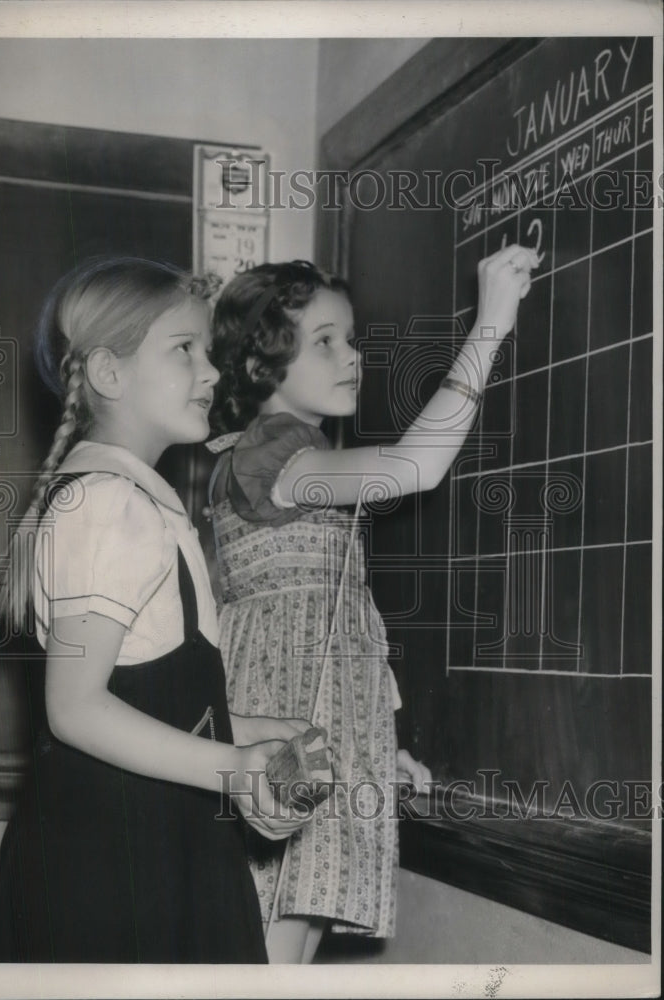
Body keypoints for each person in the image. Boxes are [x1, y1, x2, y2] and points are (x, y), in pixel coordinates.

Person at [0, 257, 312, 964]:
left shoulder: (140, 502)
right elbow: (76, 709)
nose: (213, 373)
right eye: (183, 350)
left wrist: (254, 734)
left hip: (153, 847)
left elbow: (151, 693)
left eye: (208, 353)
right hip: (115, 868)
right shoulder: (104, 503)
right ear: (108, 373)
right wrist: (233, 767)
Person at [207, 244, 539, 963]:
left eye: (350, 339)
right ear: (264, 362)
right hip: (287, 735)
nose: (351, 356)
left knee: (282, 950)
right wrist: (491, 324)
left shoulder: (283, 456)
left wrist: (376, 743)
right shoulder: (271, 455)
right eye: (323, 342)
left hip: (314, 728)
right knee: (269, 956)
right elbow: (415, 467)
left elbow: (324, 620)